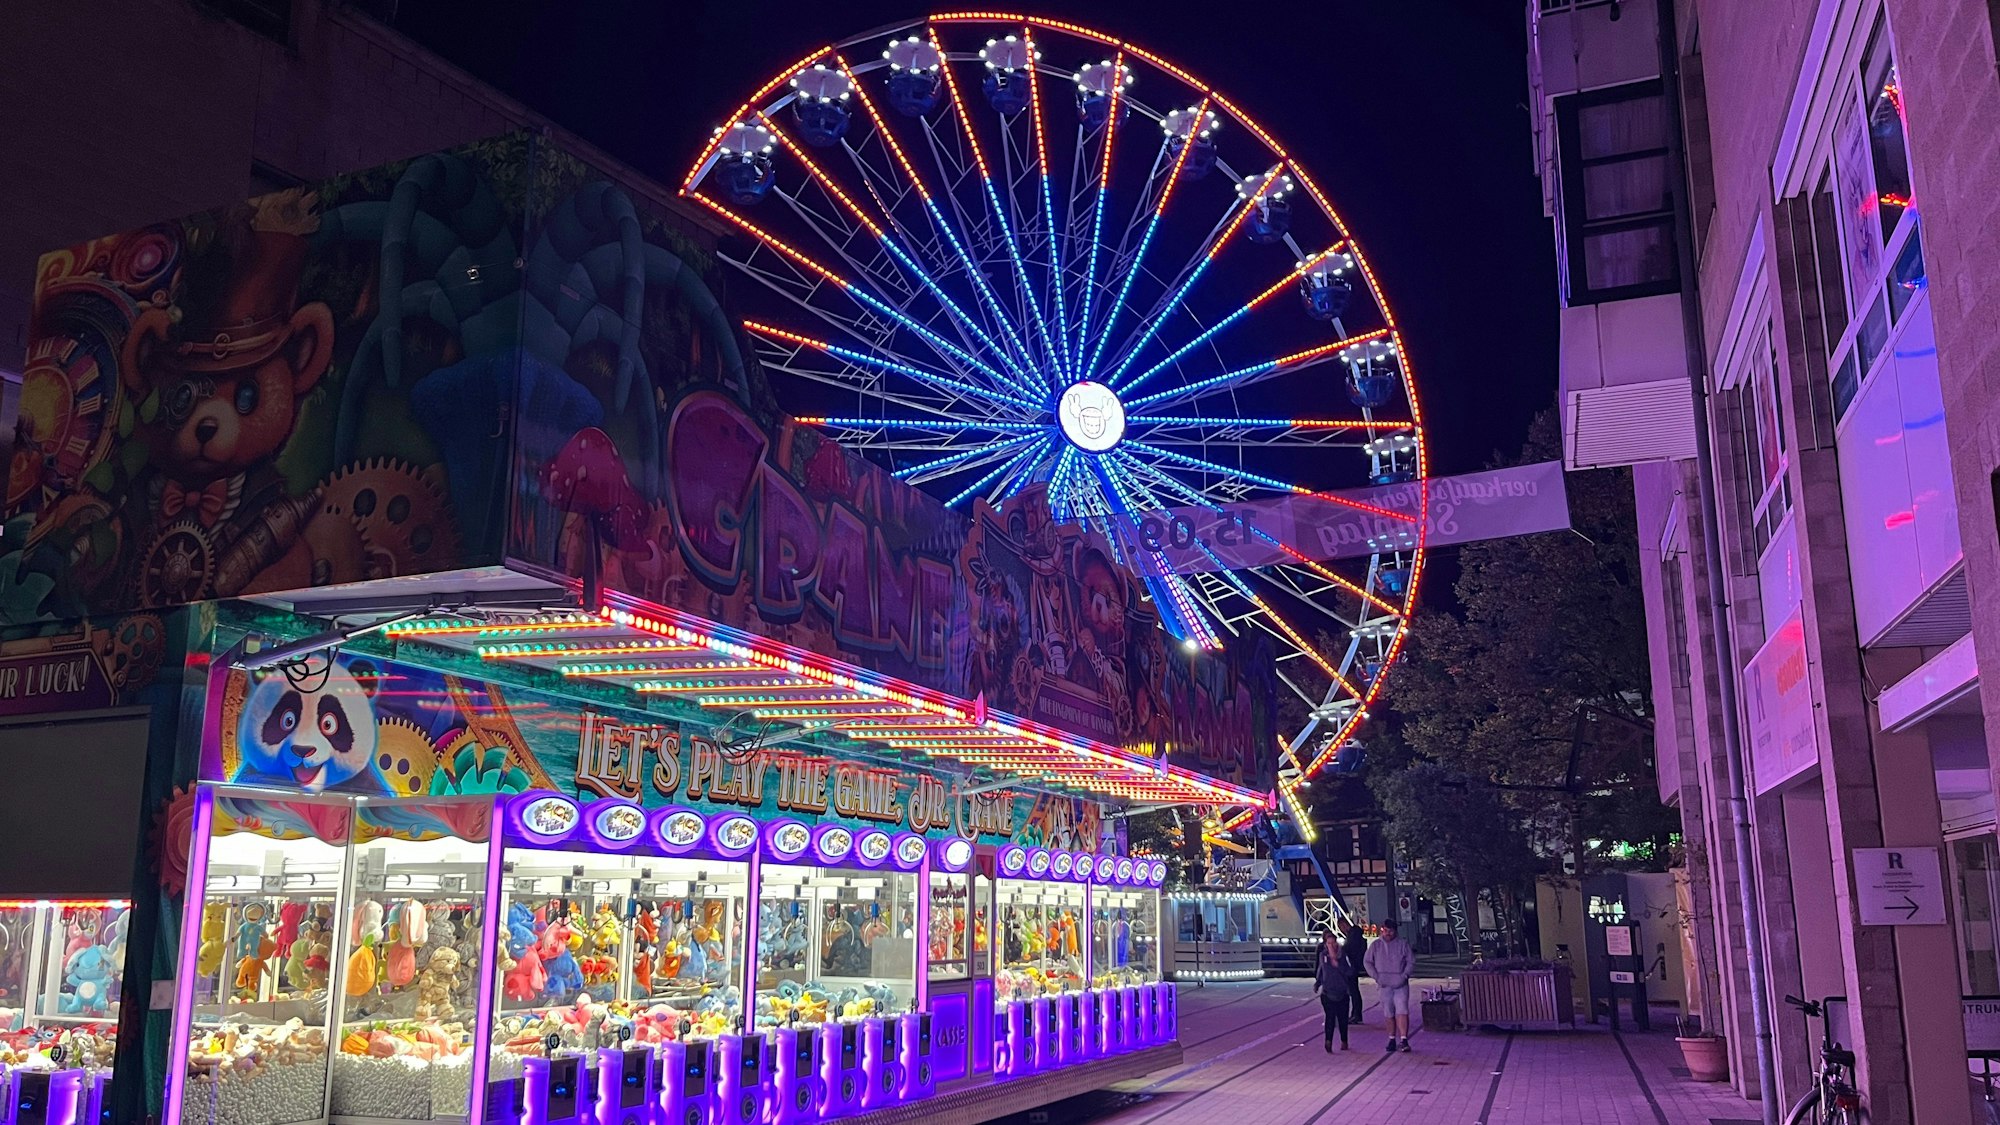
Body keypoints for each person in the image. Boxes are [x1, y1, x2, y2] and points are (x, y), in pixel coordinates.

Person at [1363, 919, 1416, 1052]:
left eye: (1390, 931)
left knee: (1402, 1010)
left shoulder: (1402, 944)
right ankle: (1392, 1038)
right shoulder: (1376, 945)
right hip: (1384, 984)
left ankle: (1403, 1039)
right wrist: (1376, 976)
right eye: (1386, 930)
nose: (1388, 933)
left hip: (1400, 983)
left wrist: (1404, 975)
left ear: (1395, 931)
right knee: (1388, 1012)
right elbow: (1367, 962)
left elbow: (1411, 961)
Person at [1312, 929, 1352, 1051]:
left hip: (1342, 992)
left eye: (1333, 943)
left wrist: (1337, 963)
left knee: (1342, 1019)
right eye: (1328, 943)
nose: (1331, 946)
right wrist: (1318, 983)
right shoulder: (1323, 955)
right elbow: (1321, 970)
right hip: (1327, 992)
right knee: (1329, 1017)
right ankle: (1328, 1041)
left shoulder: (1343, 955)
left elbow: (1350, 971)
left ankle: (1344, 1041)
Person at [1339, 918, 1367, 1023]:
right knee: (1354, 991)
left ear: (1344, 925)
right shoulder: (1355, 935)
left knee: (1353, 991)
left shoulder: (1352, 936)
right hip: (1354, 966)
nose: (1341, 930)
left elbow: (1349, 950)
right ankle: (1355, 1014)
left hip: (1352, 966)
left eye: (1341, 927)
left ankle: (1356, 1015)